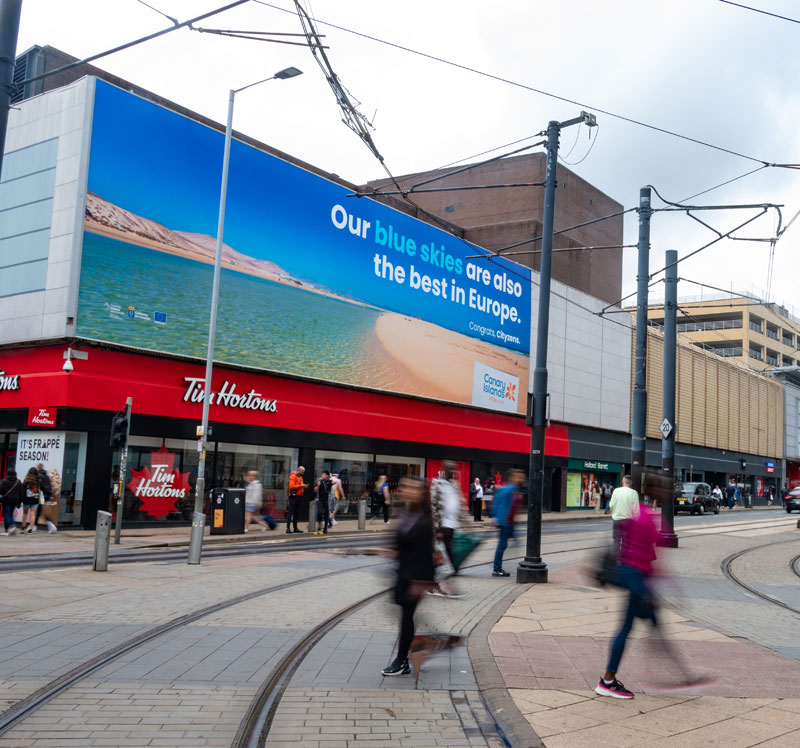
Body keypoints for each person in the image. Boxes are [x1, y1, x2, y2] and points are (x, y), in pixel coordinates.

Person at [596, 504, 659, 699]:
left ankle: (608, 679)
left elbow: (626, 545)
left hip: (635, 577)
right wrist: (644, 587)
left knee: (634, 626)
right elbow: (643, 552)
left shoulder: (638, 514)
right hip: (637, 579)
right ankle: (607, 680)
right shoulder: (646, 518)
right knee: (628, 628)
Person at [381, 476, 435, 677]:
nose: (407, 490)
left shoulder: (425, 520)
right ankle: (420, 644)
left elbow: (426, 554)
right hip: (402, 573)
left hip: (415, 577)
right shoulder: (407, 513)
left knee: (406, 618)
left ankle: (402, 661)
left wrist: (422, 582)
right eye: (406, 487)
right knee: (406, 616)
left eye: (413, 488)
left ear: (421, 494)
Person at [429, 461, 464, 597]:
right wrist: (437, 529)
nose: (453, 472)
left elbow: (458, 503)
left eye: (454, 469)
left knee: (442, 557)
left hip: (452, 525)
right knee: (446, 557)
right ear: (443, 469)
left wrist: (466, 523)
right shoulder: (437, 484)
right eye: (450, 469)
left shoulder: (454, 485)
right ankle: (450, 588)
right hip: (443, 526)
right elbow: (433, 507)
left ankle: (432, 583)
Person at [491, 468, 524, 577]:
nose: (521, 478)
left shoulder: (515, 489)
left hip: (510, 523)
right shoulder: (506, 489)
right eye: (517, 476)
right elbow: (497, 503)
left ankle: (499, 566)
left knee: (508, 544)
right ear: (511, 477)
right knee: (502, 545)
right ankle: (497, 568)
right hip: (504, 522)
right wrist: (495, 519)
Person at [609, 475, 640, 550]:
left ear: (622, 482)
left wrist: (614, 514)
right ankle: (624, 559)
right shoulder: (633, 493)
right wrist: (636, 519)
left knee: (616, 540)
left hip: (617, 519)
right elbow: (636, 509)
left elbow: (611, 505)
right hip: (628, 520)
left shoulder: (616, 491)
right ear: (631, 483)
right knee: (626, 541)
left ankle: (616, 558)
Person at [0, 468, 23, 536]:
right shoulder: (18, 482)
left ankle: (7, 530)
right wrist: (19, 501)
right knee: (11, 513)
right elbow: (21, 493)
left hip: (6, 500)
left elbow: (1, 491)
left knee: (7, 514)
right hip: (15, 501)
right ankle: (12, 527)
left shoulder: (4, 481)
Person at [286, 466, 307, 534]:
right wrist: (301, 486)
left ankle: (295, 528)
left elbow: (300, 486)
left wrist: (304, 486)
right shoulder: (293, 476)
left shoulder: (300, 477)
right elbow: (291, 486)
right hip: (293, 497)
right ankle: (288, 528)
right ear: (298, 470)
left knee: (296, 513)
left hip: (299, 496)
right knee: (290, 512)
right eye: (302, 471)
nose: (302, 473)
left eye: (303, 472)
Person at [22, 467, 40, 533]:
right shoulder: (38, 480)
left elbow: (23, 490)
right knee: (33, 514)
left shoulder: (26, 480)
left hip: (26, 499)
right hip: (35, 499)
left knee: (25, 513)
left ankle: (23, 527)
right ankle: (30, 529)